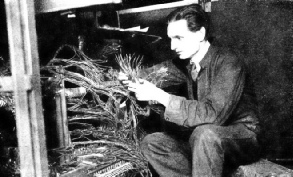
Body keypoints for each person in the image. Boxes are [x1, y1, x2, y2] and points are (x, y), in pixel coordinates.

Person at [119, 4, 261, 177]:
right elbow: (155, 73)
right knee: (152, 143)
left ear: (200, 34)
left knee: (205, 134)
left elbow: (213, 114)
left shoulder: (228, 62)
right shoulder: (186, 62)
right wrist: (128, 77)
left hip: (242, 137)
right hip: (203, 139)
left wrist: (160, 96)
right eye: (170, 39)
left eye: (179, 38)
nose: (172, 46)